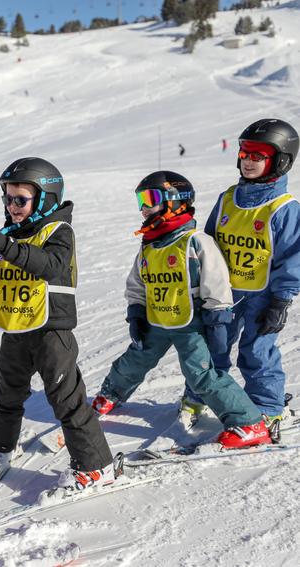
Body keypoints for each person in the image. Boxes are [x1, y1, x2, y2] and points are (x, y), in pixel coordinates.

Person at [0, 157, 118, 492]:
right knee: (5, 395)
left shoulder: (59, 232)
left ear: (44, 199)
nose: (12, 206)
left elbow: (48, 265)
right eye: (8, 198)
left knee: (66, 399)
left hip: (52, 330)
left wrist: (2, 243)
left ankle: (96, 467)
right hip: (16, 328)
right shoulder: (8, 236)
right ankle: (1, 450)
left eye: (21, 199)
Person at [90, 171, 270, 449]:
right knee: (135, 359)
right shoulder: (150, 245)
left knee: (201, 374)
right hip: (158, 320)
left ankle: (249, 422)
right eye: (141, 200)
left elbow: (218, 285)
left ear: (176, 201)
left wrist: (218, 323)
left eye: (150, 199)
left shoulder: (196, 242)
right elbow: (137, 283)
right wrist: (137, 312)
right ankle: (110, 393)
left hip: (191, 324)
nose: (143, 207)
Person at [185, 119, 300, 441]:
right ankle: (202, 395)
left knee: (256, 352)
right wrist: (197, 282)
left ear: (280, 161)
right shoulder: (228, 199)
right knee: (211, 348)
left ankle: (267, 406)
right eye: (245, 152)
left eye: (258, 154)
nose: (248, 160)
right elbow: (208, 243)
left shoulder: (284, 208)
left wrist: (281, 299)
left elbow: (293, 257)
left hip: (262, 296)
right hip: (222, 293)